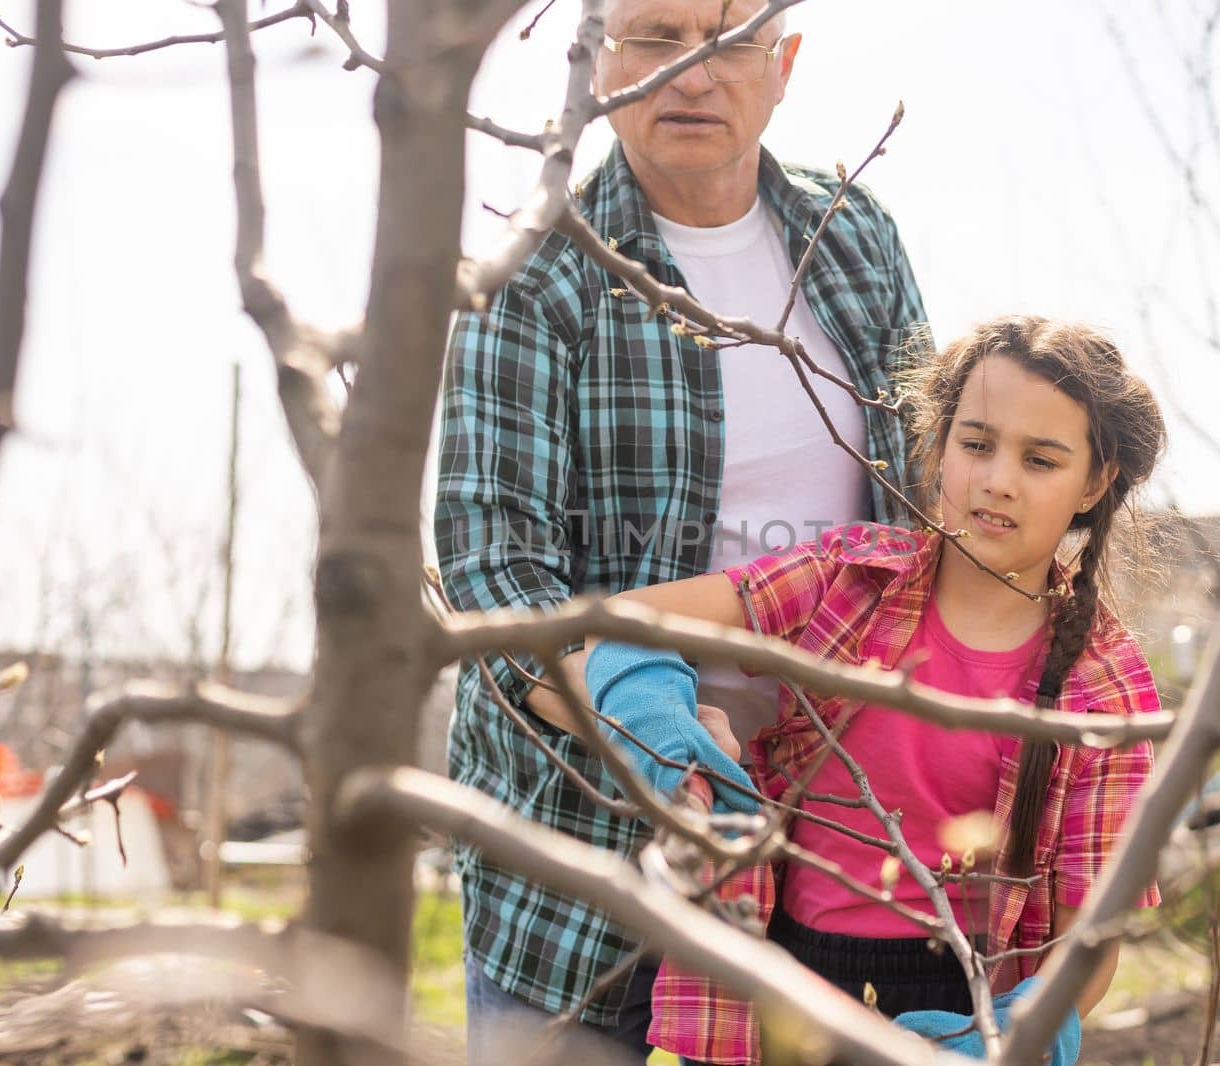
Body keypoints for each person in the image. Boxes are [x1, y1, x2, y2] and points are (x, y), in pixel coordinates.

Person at [434, 0, 928, 1058]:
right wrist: (638, 720)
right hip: (588, 843)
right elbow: (489, 563)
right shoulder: (535, 267)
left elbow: (928, 506)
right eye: (656, 36)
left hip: (831, 845)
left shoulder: (857, 239)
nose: (691, 74)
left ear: (783, 64)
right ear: (599, 55)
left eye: (729, 41)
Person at [584, 316, 1167, 1064]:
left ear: (1094, 482)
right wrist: (672, 737)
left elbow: (1090, 946)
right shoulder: (851, 577)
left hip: (964, 1008)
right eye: (977, 444)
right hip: (783, 979)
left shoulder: (1108, 689)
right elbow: (626, 623)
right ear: (940, 443)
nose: (997, 480)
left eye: (1041, 459)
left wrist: (986, 1043)